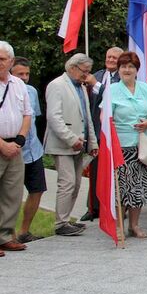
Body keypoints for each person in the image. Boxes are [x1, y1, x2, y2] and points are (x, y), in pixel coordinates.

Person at [44, 53, 98, 237]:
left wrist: (93, 141)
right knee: (67, 183)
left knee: (75, 184)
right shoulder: (57, 85)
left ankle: (65, 220)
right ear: (72, 67)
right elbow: (54, 117)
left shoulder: (81, 87)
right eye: (84, 71)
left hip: (80, 143)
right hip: (63, 144)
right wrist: (70, 139)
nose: (87, 75)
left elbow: (87, 116)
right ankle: (61, 223)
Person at [109, 51, 147, 238]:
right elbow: (106, 118)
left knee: (138, 187)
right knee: (122, 187)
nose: (127, 70)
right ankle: (118, 227)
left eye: (130, 66)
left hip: (142, 144)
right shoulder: (112, 90)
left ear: (137, 70)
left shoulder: (145, 88)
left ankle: (134, 225)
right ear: (119, 69)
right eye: (123, 66)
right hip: (121, 145)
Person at [82, 46, 122, 222]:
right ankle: (93, 207)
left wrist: (95, 85)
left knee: (115, 171)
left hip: (114, 131)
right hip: (95, 129)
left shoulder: (123, 78)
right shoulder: (97, 74)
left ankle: (116, 206)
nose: (111, 60)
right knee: (96, 171)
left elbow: (112, 96)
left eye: (115, 58)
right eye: (109, 56)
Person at [0, 41, 32, 255]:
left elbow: (27, 113)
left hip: (16, 144)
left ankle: (4, 236)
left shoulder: (18, 84)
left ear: (11, 61)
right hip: (1, 143)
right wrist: (3, 145)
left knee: (12, 193)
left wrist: (19, 140)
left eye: (2, 59)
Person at [11, 57, 46, 243]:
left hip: (34, 150)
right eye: (20, 74)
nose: (24, 78)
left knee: (37, 190)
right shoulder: (6, 92)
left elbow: (35, 119)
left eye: (27, 74)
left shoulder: (32, 92)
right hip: (14, 152)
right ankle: (9, 233)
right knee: (11, 196)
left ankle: (25, 230)